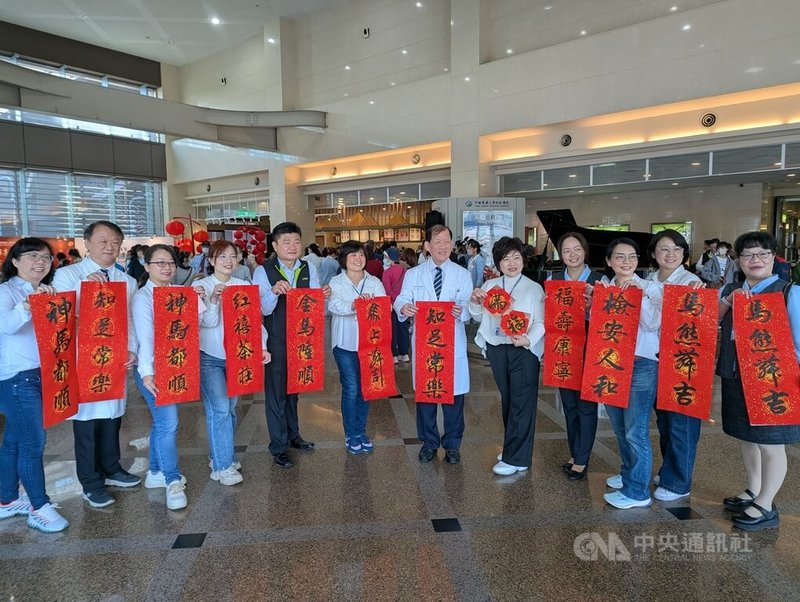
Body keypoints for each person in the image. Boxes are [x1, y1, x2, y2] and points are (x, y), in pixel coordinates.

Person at [52, 221, 140, 508]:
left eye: (115, 241)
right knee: (87, 422)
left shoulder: (126, 281)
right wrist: (86, 289)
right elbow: (62, 317)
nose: (109, 246)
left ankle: (112, 468)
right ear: (86, 243)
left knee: (113, 417)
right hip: (83, 360)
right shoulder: (67, 276)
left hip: (113, 359)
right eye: (102, 241)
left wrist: (132, 349)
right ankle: (90, 481)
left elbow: (129, 320)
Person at [717, 231, 800, 531]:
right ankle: (753, 489)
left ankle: (766, 504)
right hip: (737, 373)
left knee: (771, 444)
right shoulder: (731, 289)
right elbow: (711, 319)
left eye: (763, 254)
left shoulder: (789, 291)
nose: (756, 260)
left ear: (774, 258)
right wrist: (729, 298)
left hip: (773, 380)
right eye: (748, 255)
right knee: (747, 437)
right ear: (738, 260)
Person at [0, 238, 69, 532]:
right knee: (33, 443)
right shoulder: (6, 291)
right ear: (15, 261)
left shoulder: (46, 291)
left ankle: (6, 499)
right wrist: (29, 305)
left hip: (43, 373)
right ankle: (39, 506)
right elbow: (6, 326)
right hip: (17, 378)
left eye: (45, 256)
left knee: (15, 440)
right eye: (32, 256)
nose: (40, 262)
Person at [253, 222, 331, 469]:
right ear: (275, 246)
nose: (292, 246)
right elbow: (261, 308)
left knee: (294, 390)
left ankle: (293, 435)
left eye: (296, 241)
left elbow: (316, 305)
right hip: (276, 338)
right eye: (286, 242)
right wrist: (274, 292)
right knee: (276, 394)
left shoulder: (308, 267)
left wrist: (323, 295)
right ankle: (278, 446)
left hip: (302, 338)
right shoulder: (264, 271)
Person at [395, 225, 472, 464]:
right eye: (437, 242)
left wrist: (462, 311)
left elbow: (471, 307)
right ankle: (428, 443)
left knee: (453, 399)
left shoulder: (462, 273)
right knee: (427, 398)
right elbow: (402, 298)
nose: (442, 246)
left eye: (446, 241)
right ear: (427, 246)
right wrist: (403, 308)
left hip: (452, 344)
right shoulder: (414, 274)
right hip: (426, 345)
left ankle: (452, 445)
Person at [597, 238, 663, 509]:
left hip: (641, 364)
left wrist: (641, 295)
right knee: (620, 427)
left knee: (636, 431)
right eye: (620, 257)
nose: (627, 262)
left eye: (632, 257)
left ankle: (638, 491)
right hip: (610, 364)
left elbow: (652, 324)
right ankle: (628, 474)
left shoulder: (651, 287)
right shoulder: (604, 288)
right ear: (609, 261)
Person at [469, 237, 545, 475]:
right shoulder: (492, 286)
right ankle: (513, 448)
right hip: (497, 347)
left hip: (523, 350)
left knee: (522, 402)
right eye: (505, 258)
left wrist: (528, 339)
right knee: (509, 400)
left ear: (523, 259)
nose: (512, 263)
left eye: (516, 257)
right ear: (498, 262)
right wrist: (474, 302)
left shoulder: (534, 288)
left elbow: (542, 322)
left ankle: (518, 459)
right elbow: (479, 316)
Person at [197, 240, 270, 485]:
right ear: (211, 260)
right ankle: (222, 465)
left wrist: (262, 345)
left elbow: (253, 322)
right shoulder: (201, 286)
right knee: (218, 409)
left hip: (239, 357)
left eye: (233, 256)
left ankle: (219, 453)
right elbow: (203, 323)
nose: (228, 261)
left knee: (229, 409)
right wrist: (214, 300)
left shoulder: (243, 286)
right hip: (209, 357)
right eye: (222, 257)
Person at [132, 244, 196, 509]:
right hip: (154, 370)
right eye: (159, 263)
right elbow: (145, 338)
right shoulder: (143, 298)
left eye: (170, 262)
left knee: (162, 423)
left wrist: (206, 298)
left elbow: (202, 321)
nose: (167, 267)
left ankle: (156, 473)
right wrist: (147, 374)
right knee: (169, 424)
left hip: (176, 366)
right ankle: (172, 481)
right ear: (146, 267)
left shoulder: (179, 293)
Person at [645, 229, 704, 502]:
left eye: (676, 249)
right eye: (664, 249)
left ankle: (680, 481)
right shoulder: (648, 279)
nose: (670, 254)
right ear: (654, 254)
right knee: (666, 421)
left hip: (683, 363)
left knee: (682, 424)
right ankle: (669, 469)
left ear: (684, 254)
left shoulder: (692, 282)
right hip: (656, 359)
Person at [548, 232, 603, 481]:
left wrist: (592, 306)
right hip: (564, 350)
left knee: (586, 406)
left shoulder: (600, 279)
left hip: (590, 350)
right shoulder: (554, 278)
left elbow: (608, 321)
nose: (572, 254)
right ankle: (575, 453)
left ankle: (582, 459)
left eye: (577, 249)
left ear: (585, 251)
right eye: (567, 250)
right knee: (569, 406)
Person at [328, 241, 388, 454]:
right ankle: (350, 434)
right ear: (344, 259)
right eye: (352, 255)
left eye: (361, 254)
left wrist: (371, 305)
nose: (357, 259)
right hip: (345, 343)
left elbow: (385, 306)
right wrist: (355, 305)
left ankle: (361, 432)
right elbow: (333, 306)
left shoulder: (374, 282)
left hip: (370, 345)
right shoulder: (336, 282)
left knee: (366, 390)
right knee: (351, 388)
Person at [382, 247, 409, 363]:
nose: (384, 259)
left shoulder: (387, 272)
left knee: (392, 329)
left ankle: (394, 354)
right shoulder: (405, 270)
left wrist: (395, 300)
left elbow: (387, 290)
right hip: (404, 305)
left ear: (389, 258)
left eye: (385, 257)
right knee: (403, 328)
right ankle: (405, 353)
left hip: (392, 304)